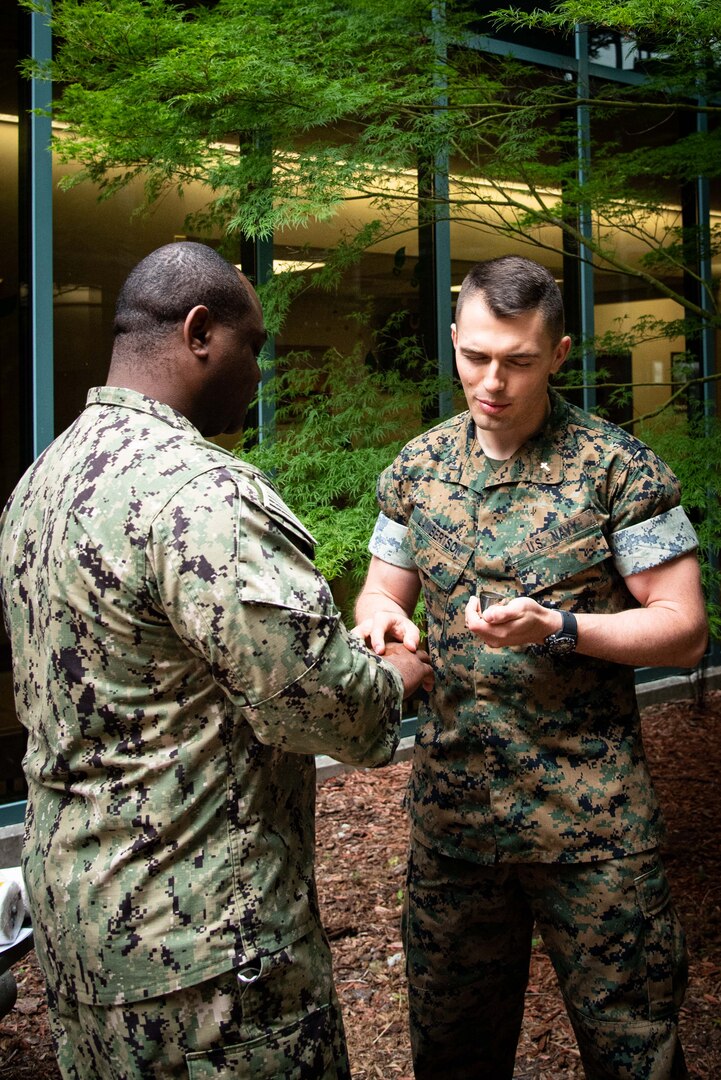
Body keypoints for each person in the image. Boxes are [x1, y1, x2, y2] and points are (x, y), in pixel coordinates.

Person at [0, 241, 433, 1080]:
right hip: (207, 962)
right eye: (255, 345)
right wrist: (394, 680)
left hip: (81, 941)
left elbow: (145, 679)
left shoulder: (40, 483)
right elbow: (323, 706)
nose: (260, 371)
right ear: (200, 332)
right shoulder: (203, 493)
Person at [353, 255, 708, 1080]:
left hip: (591, 833)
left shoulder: (618, 471)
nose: (491, 381)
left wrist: (562, 628)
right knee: (452, 1054)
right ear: (453, 341)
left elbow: (683, 629)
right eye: (475, 356)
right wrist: (383, 621)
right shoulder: (416, 470)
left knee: (635, 1054)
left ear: (558, 353)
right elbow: (379, 589)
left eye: (516, 361)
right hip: (455, 832)